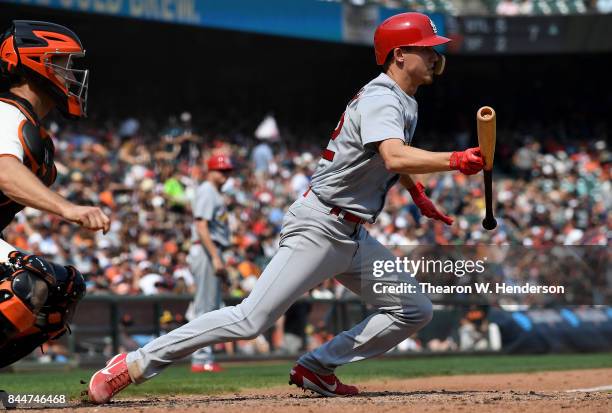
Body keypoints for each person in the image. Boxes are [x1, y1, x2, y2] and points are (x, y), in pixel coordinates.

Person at [88, 12, 484, 403]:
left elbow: (385, 160)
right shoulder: (384, 98)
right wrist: (454, 160)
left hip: (352, 233)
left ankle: (317, 366)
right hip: (320, 226)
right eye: (426, 49)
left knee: (413, 308)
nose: (434, 56)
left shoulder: (401, 98)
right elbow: (395, 157)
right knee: (249, 320)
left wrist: (417, 195)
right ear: (399, 55)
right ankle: (133, 363)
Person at [0, 20, 109, 367]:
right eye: (63, 62)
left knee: (63, 289)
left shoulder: (31, 127)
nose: (71, 73)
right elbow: (4, 172)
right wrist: (68, 208)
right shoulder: (5, 113)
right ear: (36, 63)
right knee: (27, 283)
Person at [187, 154, 234, 373]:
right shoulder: (207, 189)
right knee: (205, 307)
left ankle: (205, 357)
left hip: (212, 249)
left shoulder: (215, 192)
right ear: (210, 171)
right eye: (220, 170)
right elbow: (201, 226)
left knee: (211, 306)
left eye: (227, 171)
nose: (224, 175)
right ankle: (200, 360)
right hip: (207, 249)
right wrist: (215, 256)